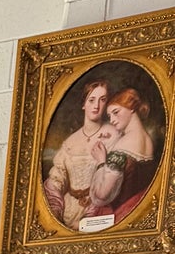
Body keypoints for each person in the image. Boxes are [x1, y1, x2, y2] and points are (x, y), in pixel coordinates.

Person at [42, 77, 110, 230]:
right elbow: (57, 180)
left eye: (102, 100)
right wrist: (55, 213)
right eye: (91, 100)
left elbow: (112, 183)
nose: (96, 106)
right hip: (68, 212)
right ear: (84, 104)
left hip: (98, 214)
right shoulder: (70, 142)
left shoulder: (112, 135)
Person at [84, 88, 157, 226]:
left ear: (132, 108)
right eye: (109, 115)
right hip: (138, 209)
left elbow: (102, 196)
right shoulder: (148, 140)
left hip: (121, 212)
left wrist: (101, 162)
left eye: (116, 112)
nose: (112, 120)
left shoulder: (123, 145)